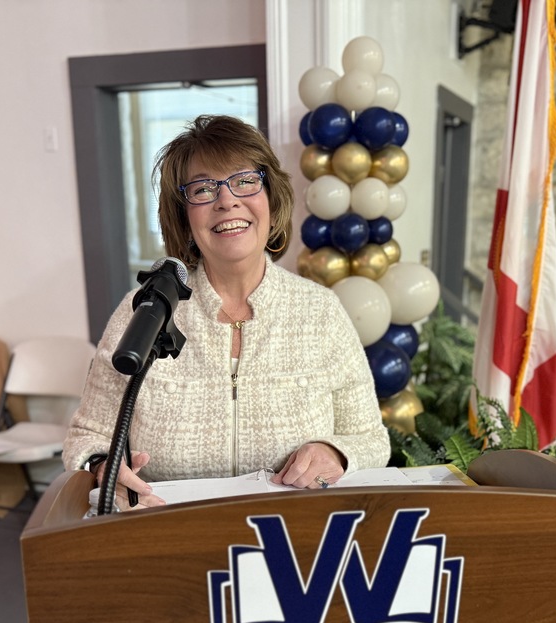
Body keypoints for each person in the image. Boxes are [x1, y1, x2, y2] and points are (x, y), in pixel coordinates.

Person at [63, 114, 389, 508]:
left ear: (270, 195)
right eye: (203, 189)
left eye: (245, 180)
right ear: (182, 214)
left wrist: (336, 453)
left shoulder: (321, 312)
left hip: (289, 542)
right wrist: (104, 468)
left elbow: (371, 439)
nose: (227, 200)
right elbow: (87, 436)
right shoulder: (144, 310)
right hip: (167, 534)